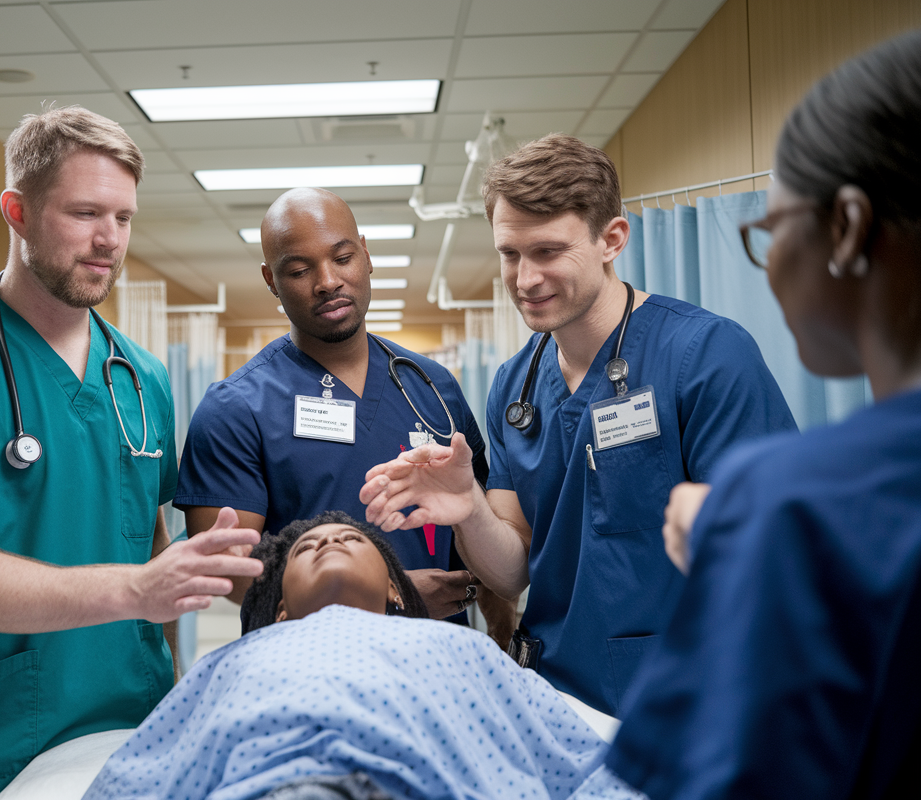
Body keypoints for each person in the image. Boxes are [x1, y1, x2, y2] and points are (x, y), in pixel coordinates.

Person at [0, 106, 261, 799]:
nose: (109, 240)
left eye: (124, 217)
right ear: (16, 212)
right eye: (84, 214)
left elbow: (149, 536)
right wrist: (134, 591)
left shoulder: (142, 376)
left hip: (130, 732)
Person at [361, 134, 797, 716]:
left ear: (611, 240)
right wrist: (467, 506)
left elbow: (776, 547)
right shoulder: (515, 385)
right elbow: (513, 570)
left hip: (688, 698)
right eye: (510, 254)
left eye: (547, 251)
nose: (525, 278)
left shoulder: (705, 355)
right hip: (557, 697)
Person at [606, 30, 921, 797]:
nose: (771, 265)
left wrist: (747, 541)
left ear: (846, 228)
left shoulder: (792, 503)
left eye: (769, 231)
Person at [82, 512, 641, 800]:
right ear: (278, 611)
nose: (329, 540)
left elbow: (579, 761)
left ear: (399, 592)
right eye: (306, 547)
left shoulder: (460, 648)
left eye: (353, 540)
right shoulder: (233, 662)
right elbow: (138, 777)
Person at [176, 187, 507, 633]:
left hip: (435, 661)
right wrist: (388, 591)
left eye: (343, 257)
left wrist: (504, 641)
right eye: (298, 269)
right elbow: (225, 567)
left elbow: (481, 532)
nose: (328, 281)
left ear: (366, 255)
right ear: (271, 281)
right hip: (305, 666)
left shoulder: (433, 386)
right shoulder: (235, 407)